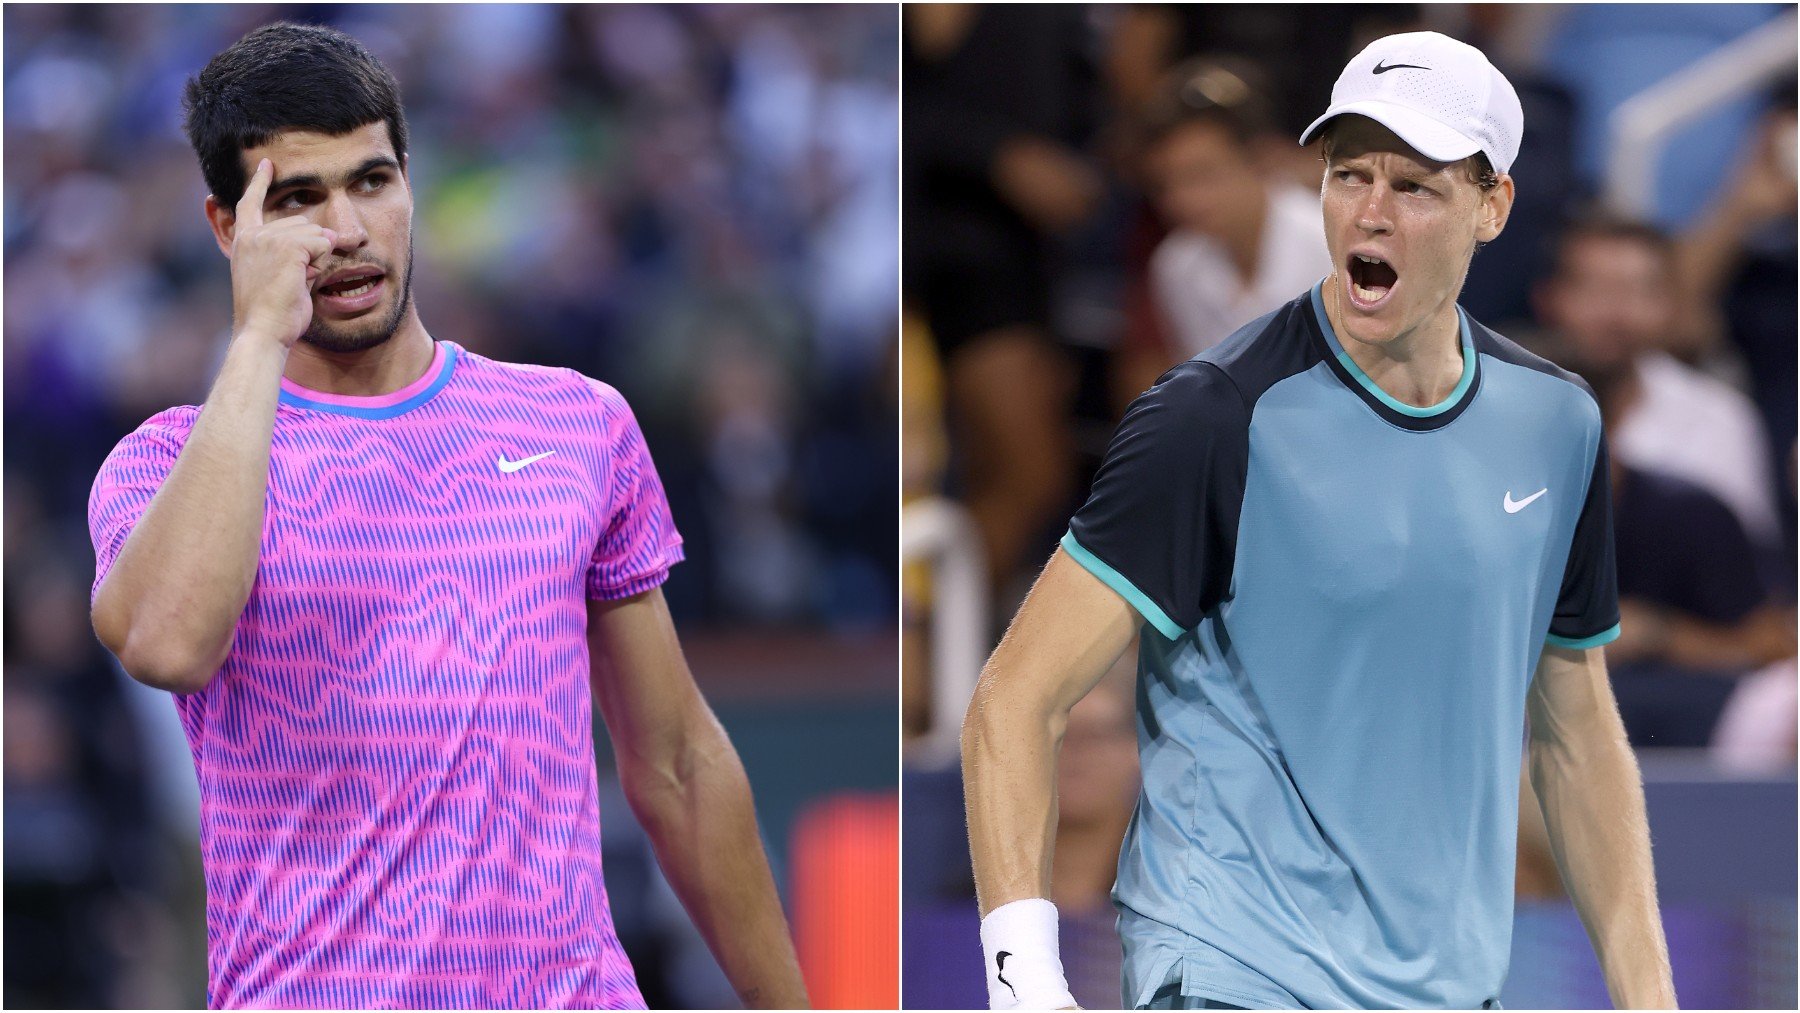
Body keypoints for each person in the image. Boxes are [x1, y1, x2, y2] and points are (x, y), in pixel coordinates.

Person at [86, 23, 807, 1010]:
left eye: (371, 181)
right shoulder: (164, 462)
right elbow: (169, 641)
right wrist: (258, 334)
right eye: (298, 199)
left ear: (411, 184)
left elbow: (677, 762)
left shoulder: (579, 422)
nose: (345, 230)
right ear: (227, 227)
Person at [963, 32, 1676, 1011]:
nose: (1370, 213)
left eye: (1415, 186)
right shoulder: (1210, 416)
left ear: (1494, 205)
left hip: (1452, 988)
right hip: (1232, 972)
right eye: (1349, 175)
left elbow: (1576, 730)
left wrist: (1650, 995)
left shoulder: (1557, 424)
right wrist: (1023, 977)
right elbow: (1014, 697)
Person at [1116, 58, 1335, 405]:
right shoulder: (1175, 264)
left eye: (1202, 174)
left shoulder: (1332, 244)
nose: (1181, 200)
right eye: (1165, 183)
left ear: (1259, 160)